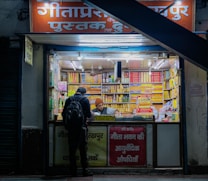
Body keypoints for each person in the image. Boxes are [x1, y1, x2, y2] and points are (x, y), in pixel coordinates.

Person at [62, 87, 93, 177]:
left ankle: (73, 171)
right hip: (81, 128)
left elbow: (64, 113)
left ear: (76, 92)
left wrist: (67, 125)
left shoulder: (69, 99)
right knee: (83, 149)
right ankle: (85, 170)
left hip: (71, 129)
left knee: (72, 150)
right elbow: (88, 114)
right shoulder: (85, 100)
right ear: (83, 93)